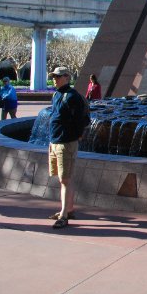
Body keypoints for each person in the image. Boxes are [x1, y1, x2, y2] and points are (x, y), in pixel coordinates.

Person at [47, 67, 90, 230]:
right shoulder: (56, 94)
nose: (55, 79)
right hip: (55, 141)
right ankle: (68, 209)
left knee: (66, 179)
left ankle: (64, 215)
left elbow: (80, 120)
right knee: (62, 178)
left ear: (67, 77)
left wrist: (77, 136)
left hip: (66, 143)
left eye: (58, 77)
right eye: (53, 77)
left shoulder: (73, 97)